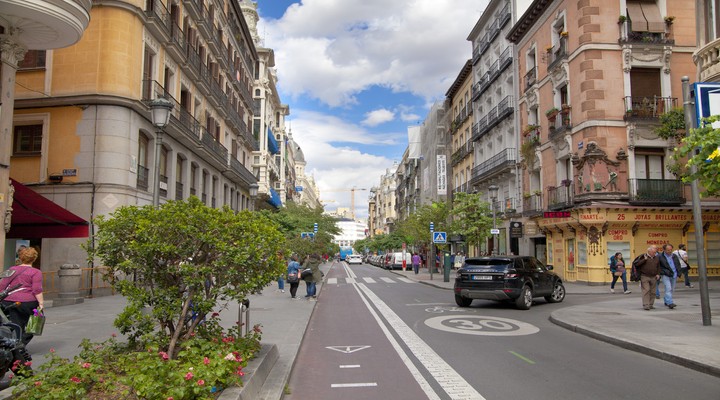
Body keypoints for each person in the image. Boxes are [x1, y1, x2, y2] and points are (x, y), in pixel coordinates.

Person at [0, 247, 44, 345]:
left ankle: (14, 343)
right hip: (28, 302)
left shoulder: (12, 269)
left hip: (9, 301)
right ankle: (22, 343)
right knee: (36, 322)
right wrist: (41, 303)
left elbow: (2, 286)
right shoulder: (36, 272)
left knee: (15, 324)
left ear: (21, 257)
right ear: (34, 258)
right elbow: (37, 289)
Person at [633, 246, 660, 311]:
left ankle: (651, 304)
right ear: (649, 251)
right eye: (653, 252)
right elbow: (637, 264)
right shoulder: (643, 256)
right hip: (644, 276)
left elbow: (658, 267)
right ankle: (646, 305)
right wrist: (644, 260)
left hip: (654, 276)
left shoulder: (656, 258)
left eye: (655, 252)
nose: (655, 253)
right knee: (646, 290)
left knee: (653, 291)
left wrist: (658, 274)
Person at [658, 243, 682, 309]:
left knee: (672, 289)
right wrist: (660, 272)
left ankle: (666, 300)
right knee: (668, 288)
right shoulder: (660, 256)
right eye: (668, 250)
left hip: (674, 274)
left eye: (671, 250)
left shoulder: (674, 256)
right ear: (664, 250)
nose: (670, 251)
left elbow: (678, 264)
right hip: (666, 274)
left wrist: (679, 272)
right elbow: (658, 266)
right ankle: (670, 302)